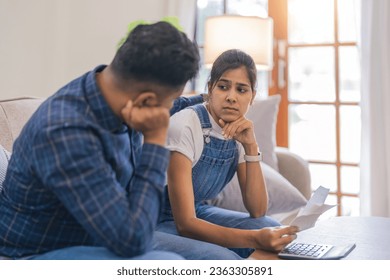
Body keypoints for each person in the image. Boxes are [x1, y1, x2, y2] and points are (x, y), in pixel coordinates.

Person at [0, 22, 240, 260]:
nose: (169, 107)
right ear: (146, 101)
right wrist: (155, 143)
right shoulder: (68, 133)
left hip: (105, 233)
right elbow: (134, 241)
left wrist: (206, 99)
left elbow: (172, 106)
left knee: (220, 259)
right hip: (36, 254)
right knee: (169, 263)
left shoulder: (111, 92)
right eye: (169, 99)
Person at [157, 49, 299, 259]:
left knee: (271, 226)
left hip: (196, 212)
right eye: (223, 87)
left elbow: (258, 210)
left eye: (242, 90)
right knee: (222, 258)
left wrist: (251, 146)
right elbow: (185, 224)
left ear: (252, 97)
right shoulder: (186, 124)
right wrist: (254, 238)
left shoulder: (241, 131)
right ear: (210, 88)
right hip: (155, 220)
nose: (231, 97)